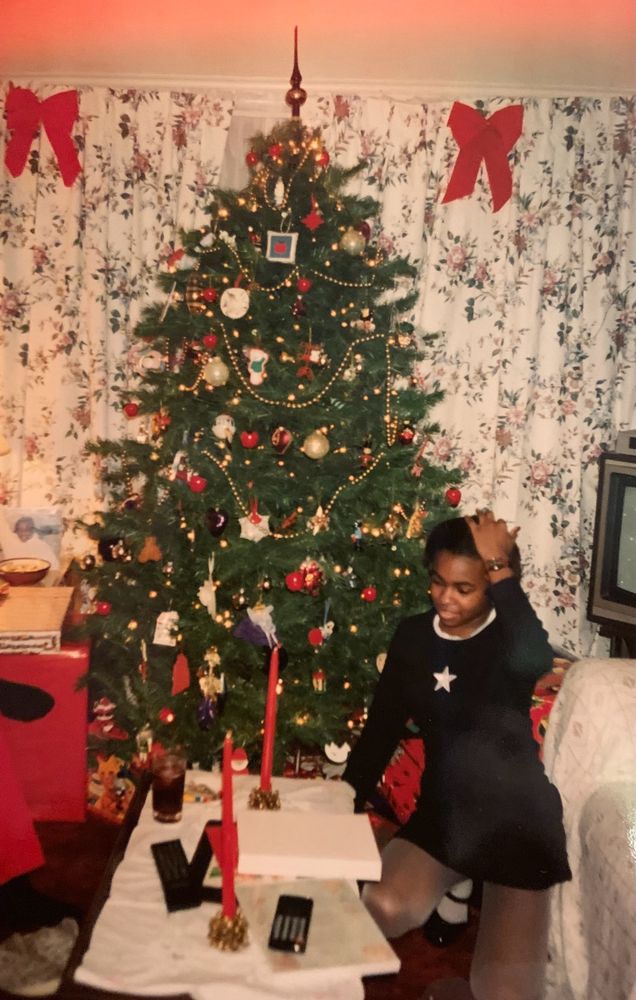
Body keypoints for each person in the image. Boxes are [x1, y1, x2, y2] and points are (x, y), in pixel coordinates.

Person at [343, 511, 571, 1000]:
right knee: (382, 905)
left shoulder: (510, 640)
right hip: (446, 817)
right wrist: (342, 801)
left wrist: (500, 564)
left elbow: (536, 657)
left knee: (504, 993)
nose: (445, 598)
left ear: (492, 584)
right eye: (438, 582)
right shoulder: (413, 637)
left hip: (517, 827)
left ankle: (464, 896)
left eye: (464, 588)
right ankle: (456, 878)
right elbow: (381, 729)